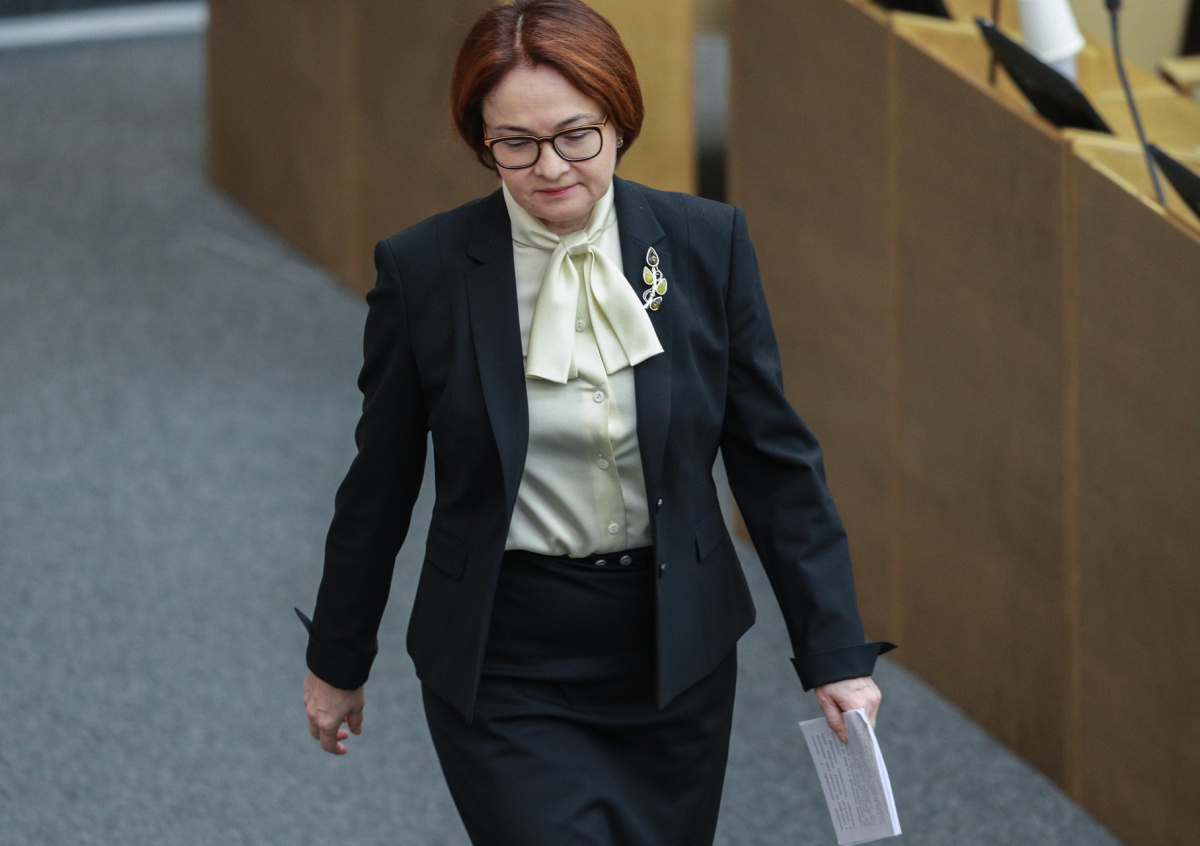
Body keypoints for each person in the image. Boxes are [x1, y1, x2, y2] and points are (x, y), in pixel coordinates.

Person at [300, 1, 894, 843]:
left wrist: (833, 653)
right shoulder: (426, 268)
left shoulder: (705, 244)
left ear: (619, 121)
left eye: (576, 135)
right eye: (515, 144)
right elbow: (380, 480)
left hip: (673, 652)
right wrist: (337, 659)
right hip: (504, 659)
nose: (550, 167)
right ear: (482, 142)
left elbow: (774, 463)